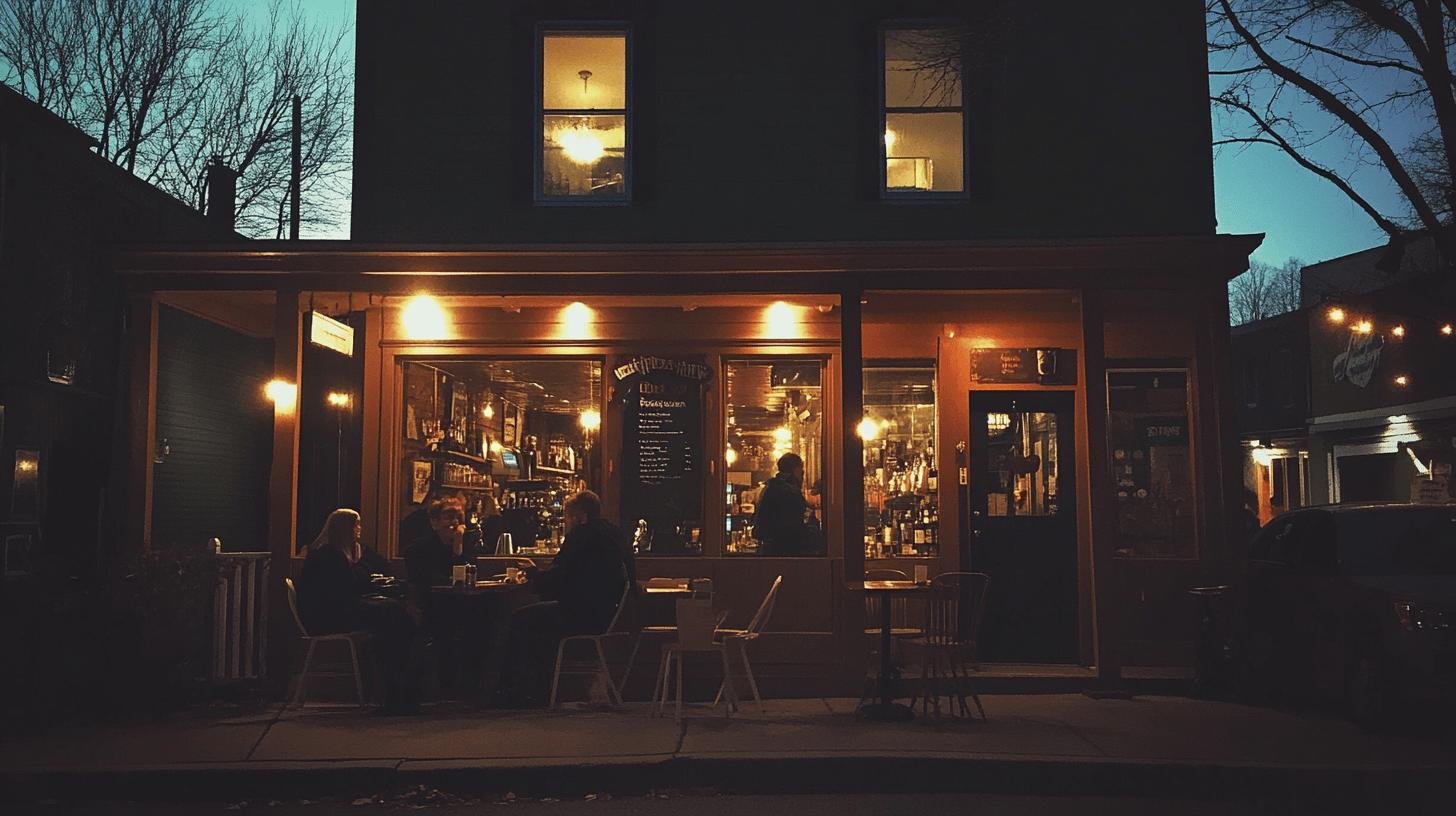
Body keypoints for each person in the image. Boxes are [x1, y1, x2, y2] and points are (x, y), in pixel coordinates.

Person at [494, 490, 633, 707]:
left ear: (580, 517)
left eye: (568, 517)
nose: (566, 523)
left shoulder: (579, 537)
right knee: (535, 618)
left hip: (581, 616)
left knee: (521, 620)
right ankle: (534, 689)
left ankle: (519, 692)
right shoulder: (616, 534)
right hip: (609, 615)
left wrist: (533, 574)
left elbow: (558, 579)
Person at [299, 508, 421, 714]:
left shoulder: (352, 550)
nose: (359, 529)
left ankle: (395, 691)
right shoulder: (327, 554)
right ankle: (396, 691)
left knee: (393, 617)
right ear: (343, 529)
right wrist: (365, 568)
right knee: (392, 618)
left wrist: (365, 562)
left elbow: (381, 565)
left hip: (344, 609)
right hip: (328, 617)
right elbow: (346, 587)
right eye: (355, 525)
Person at [753, 452, 824, 556]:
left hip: (769, 549)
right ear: (796, 470)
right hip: (784, 551)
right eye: (802, 472)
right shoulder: (789, 491)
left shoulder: (771, 487)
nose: (803, 476)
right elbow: (793, 528)